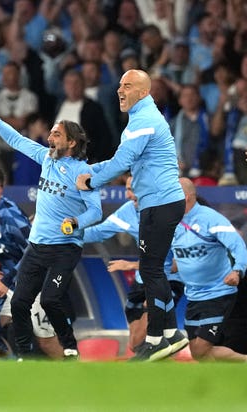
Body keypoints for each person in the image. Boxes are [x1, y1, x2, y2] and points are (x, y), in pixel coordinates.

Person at [0, 99, 102, 360]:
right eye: (51, 132)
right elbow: (16, 140)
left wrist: (75, 223)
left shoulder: (83, 172)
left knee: (50, 300)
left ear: (71, 143)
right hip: (37, 246)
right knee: (20, 302)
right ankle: (22, 355)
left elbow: (96, 212)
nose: (50, 137)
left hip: (65, 249)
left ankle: (70, 346)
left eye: (56, 134)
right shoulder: (46, 159)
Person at [76, 69, 188, 361]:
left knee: (151, 270)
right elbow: (117, 161)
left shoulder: (144, 122)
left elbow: (121, 162)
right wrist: (87, 171)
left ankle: (157, 339)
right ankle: (170, 335)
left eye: (127, 86)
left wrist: (90, 180)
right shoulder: (139, 121)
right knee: (152, 269)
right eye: (119, 86)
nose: (120, 91)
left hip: (160, 203)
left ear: (144, 92)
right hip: (159, 202)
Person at [83, 176, 184, 352]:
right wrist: (67, 233)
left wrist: (131, 265)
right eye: (127, 189)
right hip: (141, 281)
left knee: (147, 332)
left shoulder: (167, 213)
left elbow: (176, 264)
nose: (129, 195)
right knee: (135, 343)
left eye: (134, 189)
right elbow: (99, 232)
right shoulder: (128, 211)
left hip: (166, 280)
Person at [0, 167, 63, 359]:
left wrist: (6, 280)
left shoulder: (11, 217)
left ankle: (73, 375)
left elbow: (33, 253)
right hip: (11, 282)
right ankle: (14, 374)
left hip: (33, 282)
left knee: (46, 342)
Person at [170, 178, 247, 361]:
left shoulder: (210, 218)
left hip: (218, 293)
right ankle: (221, 382)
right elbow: (174, 259)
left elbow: (238, 246)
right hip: (194, 296)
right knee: (198, 352)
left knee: (201, 348)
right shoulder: (172, 224)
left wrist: (237, 271)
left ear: (186, 197)